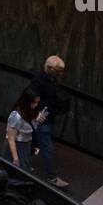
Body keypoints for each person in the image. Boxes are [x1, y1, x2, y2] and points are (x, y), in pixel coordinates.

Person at [31, 55, 71, 189]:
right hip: (42, 119)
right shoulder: (39, 81)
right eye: (58, 70)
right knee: (47, 147)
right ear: (49, 68)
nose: (60, 73)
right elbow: (33, 99)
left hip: (46, 117)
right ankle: (52, 176)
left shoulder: (50, 78)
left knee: (33, 141)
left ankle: (20, 163)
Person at [5, 87, 42, 172]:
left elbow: (30, 128)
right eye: (34, 102)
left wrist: (37, 121)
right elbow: (11, 139)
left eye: (37, 102)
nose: (35, 105)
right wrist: (15, 158)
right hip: (18, 145)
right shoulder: (16, 116)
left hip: (26, 145)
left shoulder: (31, 111)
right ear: (27, 101)